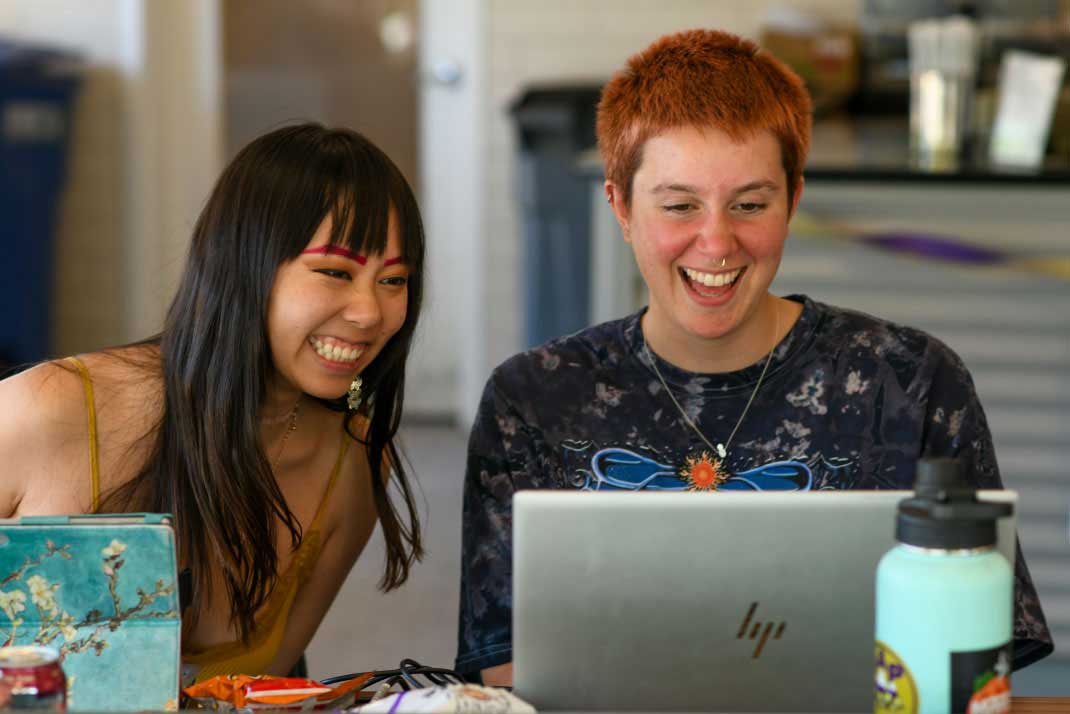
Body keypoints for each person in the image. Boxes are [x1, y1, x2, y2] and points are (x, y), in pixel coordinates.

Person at [455, 29, 1053, 685]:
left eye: (750, 205)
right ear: (621, 206)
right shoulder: (534, 399)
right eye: (680, 205)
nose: (716, 242)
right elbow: (505, 673)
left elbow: (974, 663)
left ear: (793, 200)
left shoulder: (910, 380)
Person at [0, 124, 425, 683]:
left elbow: (265, 688)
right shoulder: (48, 407)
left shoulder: (353, 463)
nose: (371, 313)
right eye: (334, 272)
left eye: (394, 281)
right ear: (241, 264)